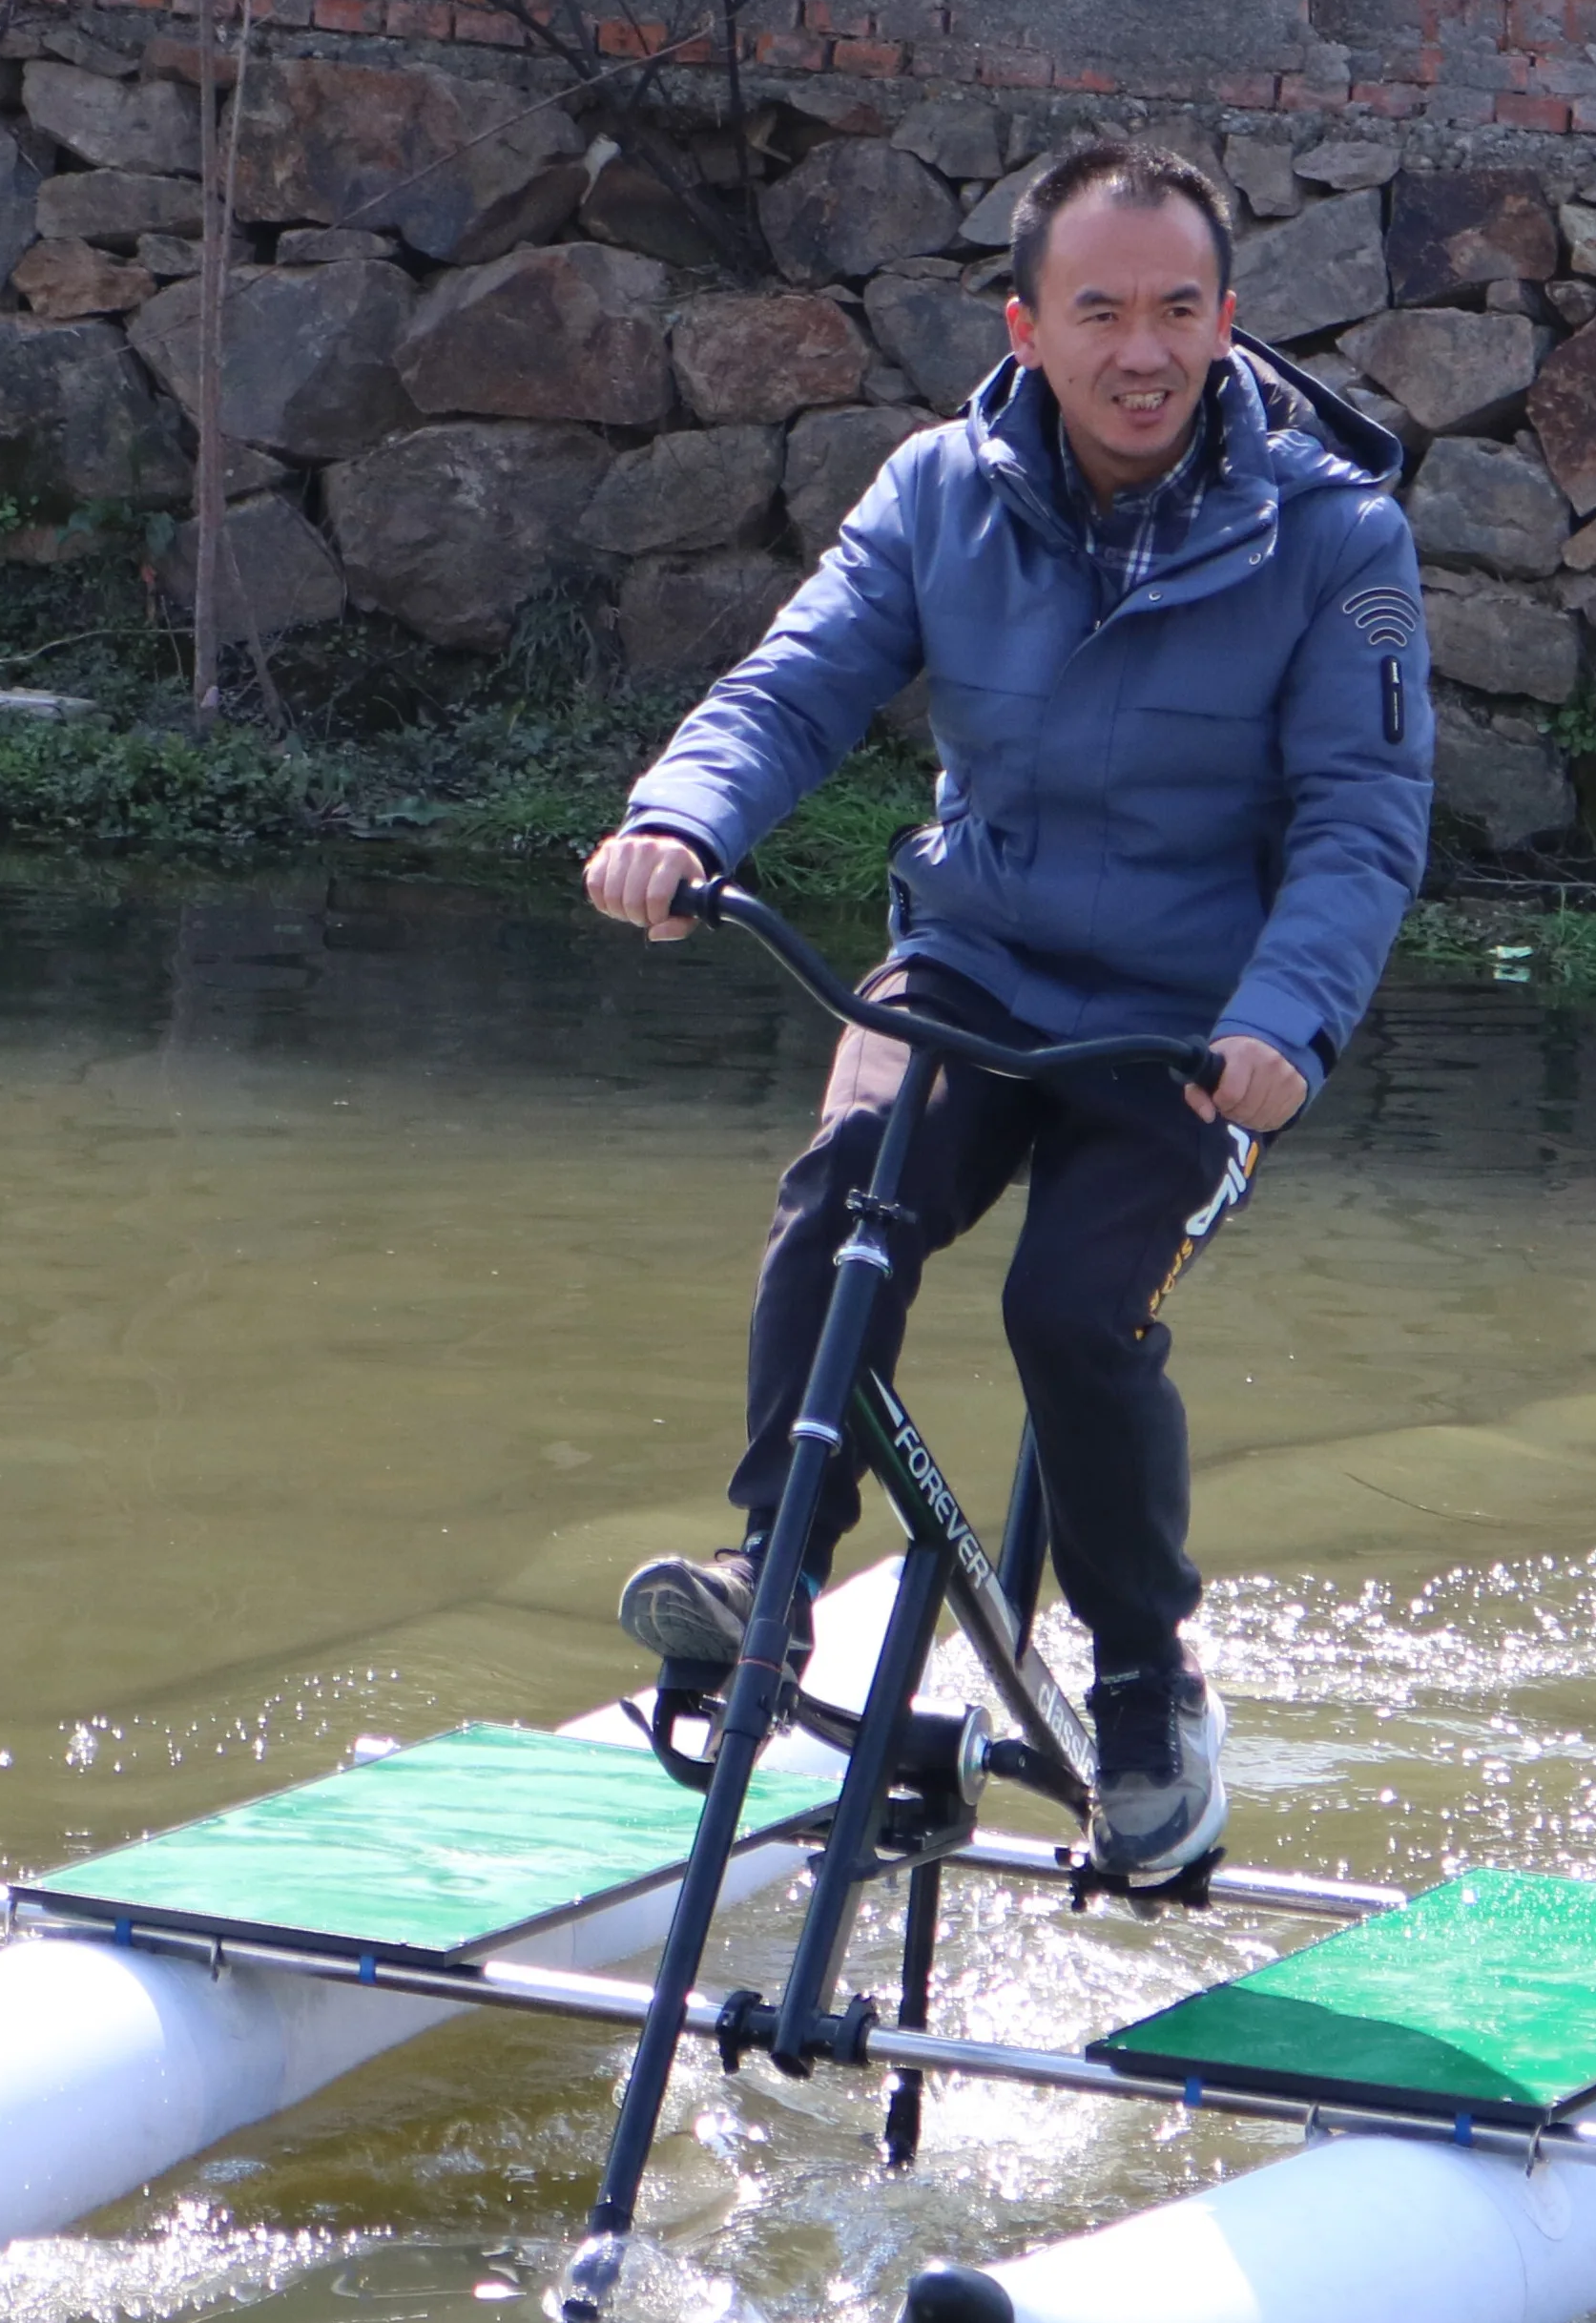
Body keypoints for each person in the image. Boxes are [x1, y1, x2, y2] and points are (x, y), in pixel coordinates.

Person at [584, 135, 1432, 1883]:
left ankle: (1142, 1685)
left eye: (1179, 312)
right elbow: (801, 679)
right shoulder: (934, 490)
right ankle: (773, 1570)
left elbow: (1362, 818)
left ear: (1227, 319)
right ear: (1025, 326)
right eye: (1101, 311)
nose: (1144, 352)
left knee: (1071, 1307)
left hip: (1191, 1028)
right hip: (971, 965)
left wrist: (1287, 1025)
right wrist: (681, 814)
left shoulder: (1341, 538)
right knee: (845, 1203)